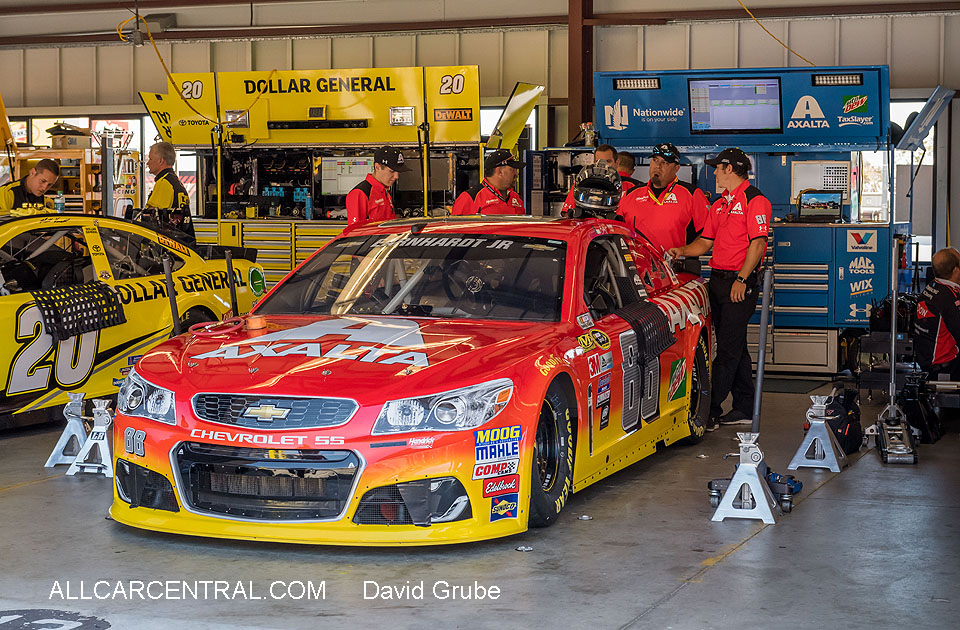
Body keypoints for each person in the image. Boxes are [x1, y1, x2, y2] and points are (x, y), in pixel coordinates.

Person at [667, 148, 771, 430]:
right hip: (718, 281)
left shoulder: (755, 200)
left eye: (717, 167)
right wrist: (681, 251)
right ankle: (744, 407)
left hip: (740, 283)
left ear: (730, 169)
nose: (713, 172)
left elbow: (758, 243)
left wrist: (742, 279)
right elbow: (705, 242)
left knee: (726, 351)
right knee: (735, 347)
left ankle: (709, 410)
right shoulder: (720, 204)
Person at [618, 143, 709, 253]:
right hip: (637, 267)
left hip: (675, 267)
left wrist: (684, 251)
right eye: (655, 160)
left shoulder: (692, 194)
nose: (658, 166)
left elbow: (707, 235)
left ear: (676, 168)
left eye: (664, 162)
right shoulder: (630, 194)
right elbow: (615, 229)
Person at [915, 247, 960, 379]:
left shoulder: (932, 287)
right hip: (946, 365)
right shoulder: (949, 300)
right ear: (955, 270)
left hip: (926, 359)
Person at [346, 146, 409, 226]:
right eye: (392, 171)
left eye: (398, 172)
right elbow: (355, 233)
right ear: (377, 167)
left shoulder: (385, 191)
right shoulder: (360, 193)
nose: (396, 176)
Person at [451, 149, 525, 215]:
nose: (516, 173)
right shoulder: (469, 198)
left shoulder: (516, 198)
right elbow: (454, 228)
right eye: (512, 170)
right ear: (500, 171)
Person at [144, 141, 193, 237]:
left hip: (167, 243)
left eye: (150, 159)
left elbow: (151, 215)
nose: (148, 163)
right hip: (180, 240)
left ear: (161, 161)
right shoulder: (174, 181)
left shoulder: (164, 183)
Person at [561, 144, 618, 215]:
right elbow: (567, 213)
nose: (602, 165)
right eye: (598, 161)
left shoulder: (626, 187)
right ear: (594, 162)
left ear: (617, 163)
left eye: (608, 161)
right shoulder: (582, 184)